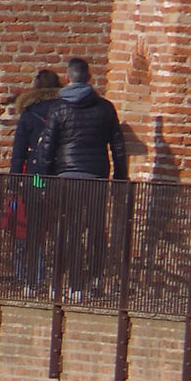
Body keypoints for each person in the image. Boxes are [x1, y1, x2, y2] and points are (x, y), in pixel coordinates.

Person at [37, 56, 127, 296]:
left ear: (67, 78)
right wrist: (120, 178)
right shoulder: (105, 108)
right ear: (89, 78)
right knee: (97, 230)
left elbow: (46, 148)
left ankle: (67, 284)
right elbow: (118, 147)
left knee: (67, 230)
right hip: (96, 176)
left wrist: (43, 180)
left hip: (65, 177)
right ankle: (94, 281)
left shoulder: (58, 109)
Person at [6, 68, 61, 291]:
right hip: (59, 175)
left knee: (32, 225)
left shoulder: (29, 114)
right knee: (57, 225)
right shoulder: (63, 109)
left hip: (36, 176)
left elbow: (19, 151)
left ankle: (32, 277)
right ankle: (55, 279)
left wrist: (14, 181)